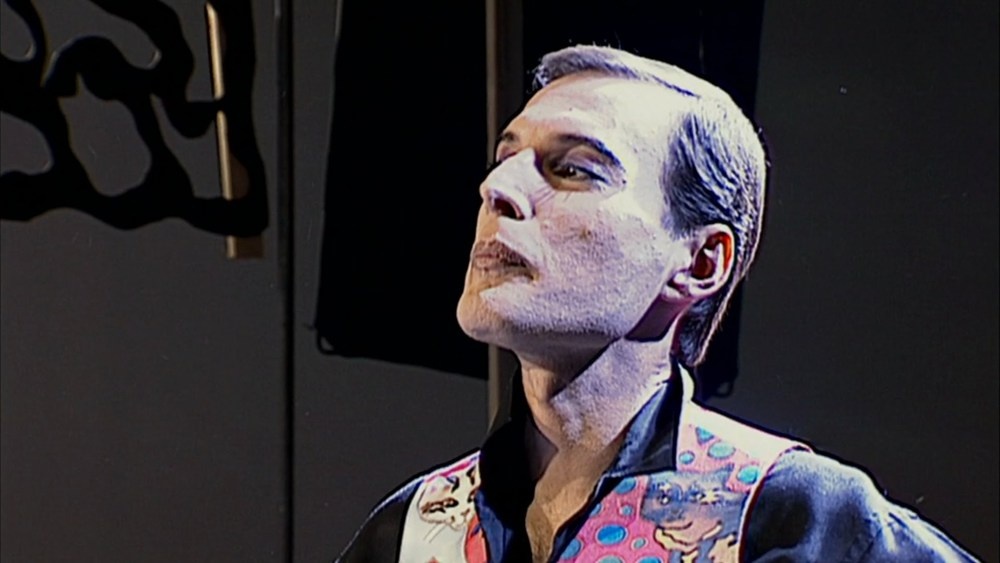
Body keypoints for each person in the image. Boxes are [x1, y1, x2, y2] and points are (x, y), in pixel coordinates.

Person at [337, 46, 977, 562]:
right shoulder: (409, 534)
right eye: (505, 159)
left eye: (574, 169)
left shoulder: (791, 518)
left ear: (700, 262)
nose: (497, 188)